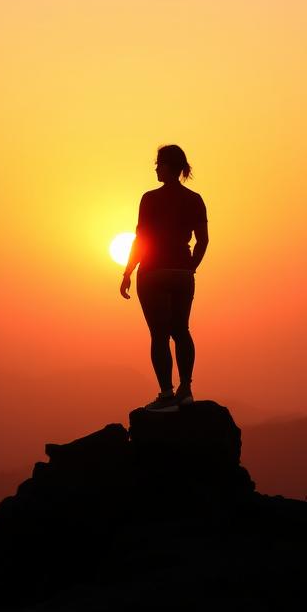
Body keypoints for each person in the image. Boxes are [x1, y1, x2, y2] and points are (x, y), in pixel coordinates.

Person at [119, 144, 208, 412]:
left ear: (170, 166)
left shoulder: (149, 199)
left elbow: (141, 240)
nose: (156, 167)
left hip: (154, 272)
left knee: (159, 335)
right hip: (182, 273)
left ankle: (167, 395)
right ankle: (186, 389)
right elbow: (203, 240)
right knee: (181, 330)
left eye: (159, 163)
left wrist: (127, 272)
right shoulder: (195, 199)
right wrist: (190, 267)